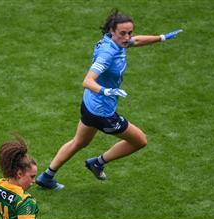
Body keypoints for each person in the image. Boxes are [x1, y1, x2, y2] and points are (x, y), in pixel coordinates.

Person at [36, 9, 183, 189]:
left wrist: (162, 37)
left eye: (129, 32)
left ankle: (46, 176)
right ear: (112, 31)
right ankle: (98, 162)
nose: (127, 37)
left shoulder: (117, 42)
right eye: (122, 33)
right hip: (102, 111)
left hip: (89, 104)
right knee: (140, 141)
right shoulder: (108, 53)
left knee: (80, 142)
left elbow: (137, 40)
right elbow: (87, 80)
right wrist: (105, 91)